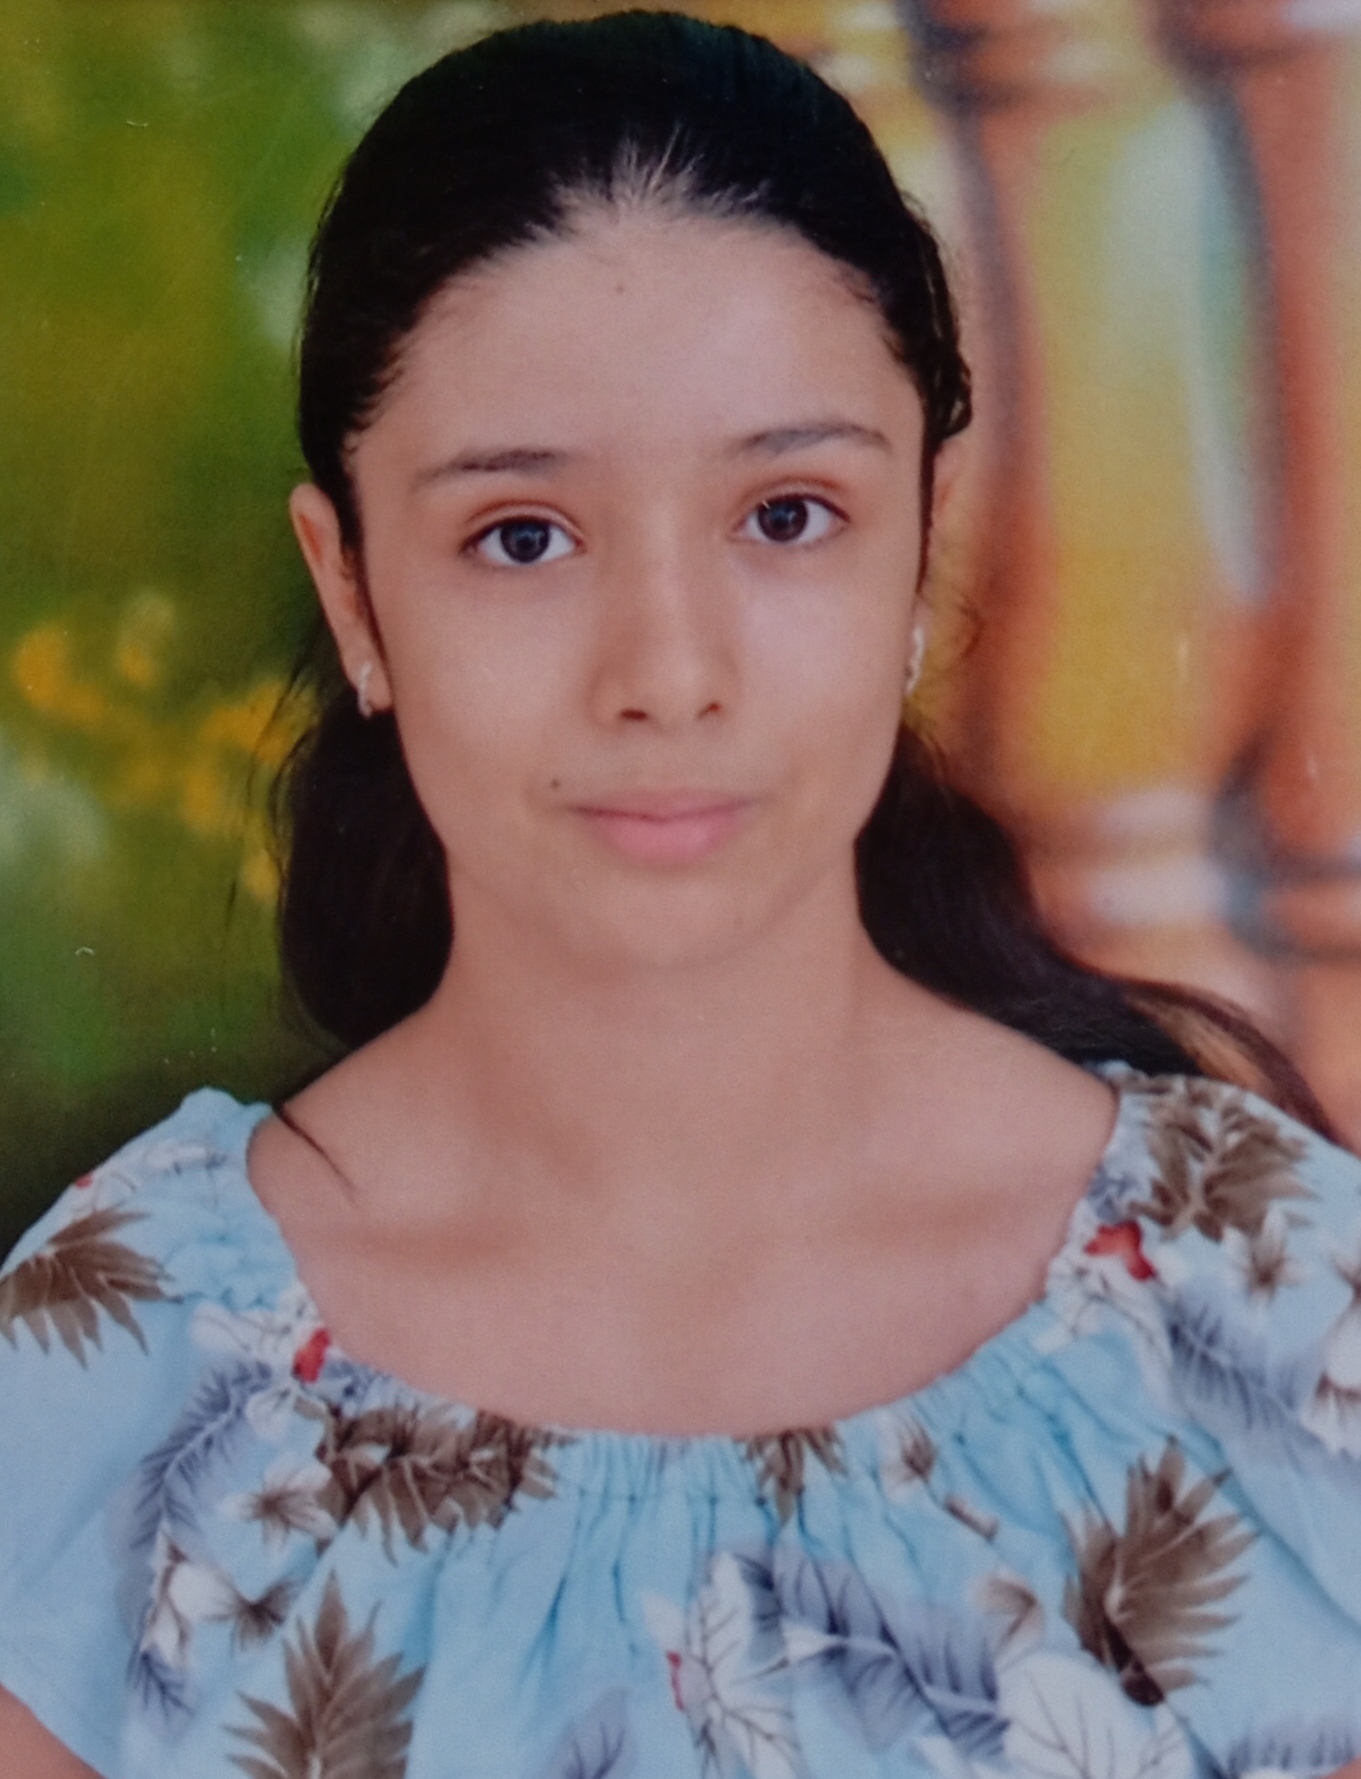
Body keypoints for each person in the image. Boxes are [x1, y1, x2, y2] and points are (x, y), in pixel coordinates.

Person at [3, 12, 1361, 1776]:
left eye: (785, 515)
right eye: (521, 537)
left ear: (919, 545)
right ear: (351, 596)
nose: (667, 672)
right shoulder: (121, 1383)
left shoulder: (1268, 1311)